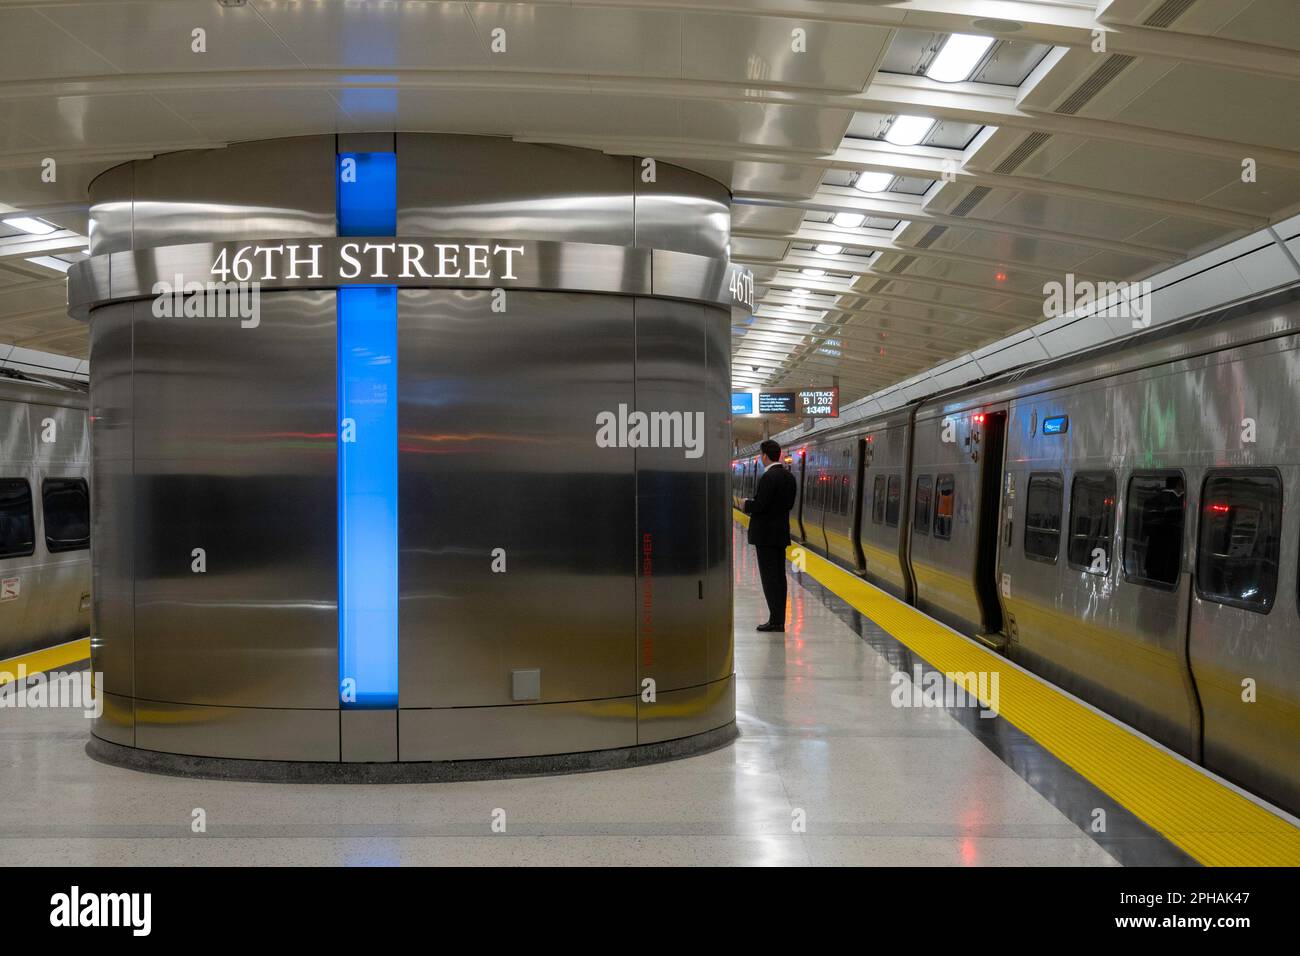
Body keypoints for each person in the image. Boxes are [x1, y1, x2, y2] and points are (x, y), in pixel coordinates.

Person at [742, 439, 797, 632]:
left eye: (760, 454)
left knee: (769, 578)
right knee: (779, 578)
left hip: (765, 536)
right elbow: (788, 505)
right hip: (780, 534)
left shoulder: (768, 477)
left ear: (765, 455)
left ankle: (775, 621)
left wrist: (745, 504)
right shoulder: (789, 477)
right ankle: (779, 619)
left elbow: (761, 505)